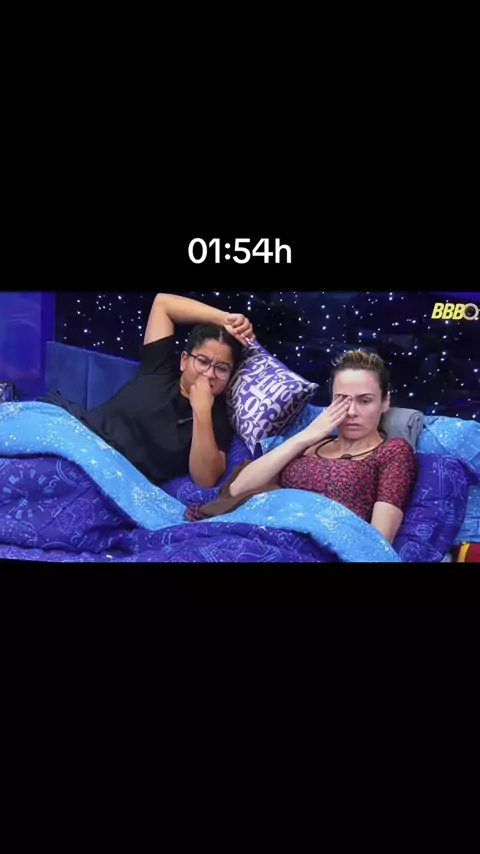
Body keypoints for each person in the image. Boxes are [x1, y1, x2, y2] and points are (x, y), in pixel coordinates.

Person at [188, 350, 417, 545]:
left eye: (365, 401)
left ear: (385, 402)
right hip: (256, 532)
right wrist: (306, 436)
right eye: (342, 400)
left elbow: (377, 542)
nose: (351, 412)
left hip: (309, 549)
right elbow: (238, 488)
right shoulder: (310, 443)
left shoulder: (393, 452)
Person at [39, 293, 255, 488]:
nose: (209, 373)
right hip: (77, 431)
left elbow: (205, 479)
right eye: (203, 361)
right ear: (184, 361)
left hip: (113, 475)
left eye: (221, 368)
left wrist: (202, 411)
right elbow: (163, 304)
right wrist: (225, 320)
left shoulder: (217, 419)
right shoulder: (159, 368)